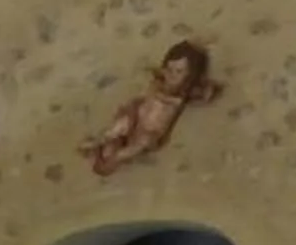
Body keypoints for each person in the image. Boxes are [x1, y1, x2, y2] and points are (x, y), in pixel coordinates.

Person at [82, 41, 220, 174]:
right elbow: (148, 72)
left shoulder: (184, 93)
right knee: (124, 122)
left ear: (190, 75)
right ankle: (107, 139)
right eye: (169, 69)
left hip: (151, 129)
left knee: (143, 141)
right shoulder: (159, 82)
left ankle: (117, 158)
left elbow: (207, 93)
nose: (172, 75)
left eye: (179, 71)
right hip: (137, 115)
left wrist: (201, 85)